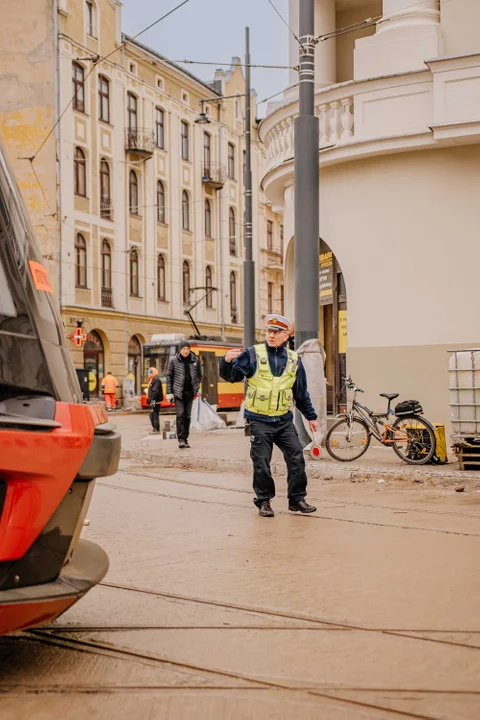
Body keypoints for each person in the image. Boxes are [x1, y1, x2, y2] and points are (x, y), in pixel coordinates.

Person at [220, 314, 318, 518]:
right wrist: (226, 362)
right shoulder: (253, 354)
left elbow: (300, 393)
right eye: (269, 331)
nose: (271, 335)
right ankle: (264, 501)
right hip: (259, 420)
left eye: (276, 332)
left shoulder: (293, 359)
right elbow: (232, 377)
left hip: (283, 420)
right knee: (261, 463)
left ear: (286, 335)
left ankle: (297, 499)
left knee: (297, 457)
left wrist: (311, 416)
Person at [166, 341, 202, 449]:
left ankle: (185, 438)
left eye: (187, 349)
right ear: (180, 350)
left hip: (190, 392)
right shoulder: (173, 361)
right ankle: (180, 439)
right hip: (178, 392)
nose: (186, 351)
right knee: (180, 414)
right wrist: (169, 392)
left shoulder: (195, 360)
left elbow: (199, 376)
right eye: (184, 349)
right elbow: (169, 377)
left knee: (187, 416)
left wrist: (196, 389)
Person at [147, 367, 164, 434]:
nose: (148, 374)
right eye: (148, 372)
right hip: (153, 401)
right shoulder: (152, 379)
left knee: (153, 415)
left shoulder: (156, 380)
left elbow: (155, 391)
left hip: (155, 401)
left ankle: (156, 429)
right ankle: (156, 428)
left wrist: (153, 400)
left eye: (150, 373)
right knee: (152, 414)